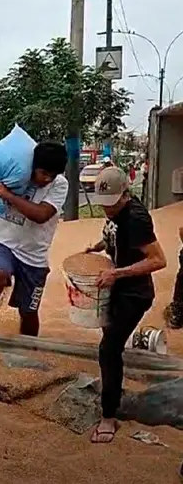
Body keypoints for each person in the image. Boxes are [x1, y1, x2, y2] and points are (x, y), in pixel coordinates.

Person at [82, 167, 167, 443]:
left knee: (109, 348)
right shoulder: (116, 214)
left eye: (112, 203)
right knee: (110, 343)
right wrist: (97, 246)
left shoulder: (137, 218)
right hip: (118, 289)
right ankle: (112, 391)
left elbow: (158, 260)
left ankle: (109, 417)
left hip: (135, 294)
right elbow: (113, 234)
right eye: (103, 204)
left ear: (126, 195)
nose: (107, 209)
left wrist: (116, 273)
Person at [0, 141, 70, 343]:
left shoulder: (59, 185)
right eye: (43, 173)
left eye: (52, 175)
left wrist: (8, 195)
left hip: (34, 255)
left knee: (29, 311)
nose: (47, 179)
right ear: (32, 167)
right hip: (2, 242)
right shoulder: (14, 173)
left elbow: (41, 215)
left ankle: (29, 349)